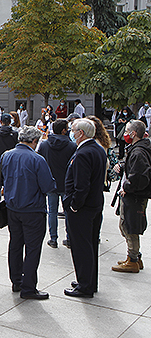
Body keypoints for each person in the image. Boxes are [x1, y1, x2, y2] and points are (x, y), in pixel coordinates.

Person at [0, 126, 56, 299]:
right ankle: (28, 287)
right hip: (33, 209)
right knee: (32, 249)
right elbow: (48, 186)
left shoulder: (6, 155)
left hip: (13, 208)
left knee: (15, 245)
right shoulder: (37, 159)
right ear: (34, 141)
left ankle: (16, 280)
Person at [63, 118, 107, 298]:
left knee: (81, 246)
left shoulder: (83, 153)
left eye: (73, 130)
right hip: (95, 205)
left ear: (81, 133)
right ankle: (88, 280)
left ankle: (85, 286)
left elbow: (82, 186)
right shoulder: (97, 149)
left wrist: (74, 206)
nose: (72, 133)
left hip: (83, 208)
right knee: (89, 246)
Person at [111, 120, 150, 273]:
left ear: (134, 134)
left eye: (127, 131)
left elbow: (140, 176)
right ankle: (134, 256)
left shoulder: (138, 152)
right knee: (127, 225)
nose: (125, 134)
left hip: (134, 196)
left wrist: (128, 188)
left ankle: (132, 259)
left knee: (129, 226)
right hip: (136, 195)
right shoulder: (138, 149)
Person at [37, 119, 77, 249]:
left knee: (52, 212)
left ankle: (53, 238)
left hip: (50, 183)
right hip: (67, 184)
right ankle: (70, 237)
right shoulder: (72, 146)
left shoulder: (44, 145)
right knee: (68, 212)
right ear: (64, 130)